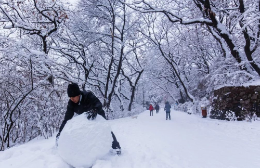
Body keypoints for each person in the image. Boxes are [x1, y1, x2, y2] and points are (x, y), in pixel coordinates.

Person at [56, 83, 121, 154]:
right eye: (70, 97)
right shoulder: (71, 103)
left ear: (78, 94)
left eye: (73, 97)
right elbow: (67, 119)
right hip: (85, 118)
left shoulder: (88, 95)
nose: (72, 99)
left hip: (97, 114)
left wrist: (95, 110)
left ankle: (116, 147)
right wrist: (60, 133)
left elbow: (98, 103)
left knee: (104, 129)